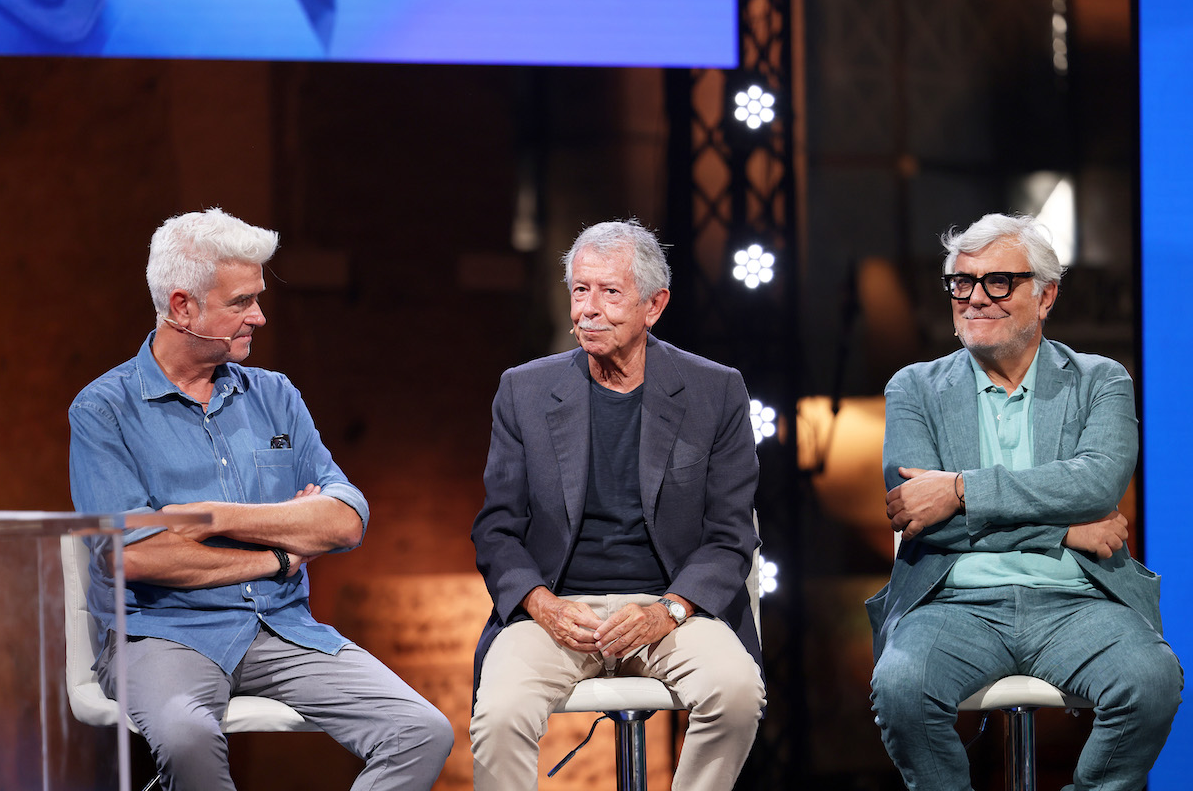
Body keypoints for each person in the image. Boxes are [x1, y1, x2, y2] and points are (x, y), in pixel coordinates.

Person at [68, 208, 452, 791]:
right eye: (241, 302)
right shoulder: (103, 411)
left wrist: (215, 519)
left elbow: (346, 521)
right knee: (187, 737)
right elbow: (135, 558)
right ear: (182, 308)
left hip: (281, 627)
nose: (260, 315)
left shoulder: (276, 396)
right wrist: (279, 552)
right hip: (162, 633)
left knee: (422, 729)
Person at [868, 213, 1183, 791]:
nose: (975, 298)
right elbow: (920, 520)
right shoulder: (913, 387)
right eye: (962, 283)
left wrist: (960, 489)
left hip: (1080, 600)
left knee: (1150, 682)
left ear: (1045, 297)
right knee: (902, 690)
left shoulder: (1101, 381)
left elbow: (1095, 486)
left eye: (999, 282)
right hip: (952, 601)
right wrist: (1063, 532)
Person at [469, 219, 766, 790]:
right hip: (558, 612)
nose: (588, 309)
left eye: (609, 292)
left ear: (654, 306)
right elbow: (497, 530)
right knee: (500, 714)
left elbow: (731, 535)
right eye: (580, 290)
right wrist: (541, 605)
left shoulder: (715, 391)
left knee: (735, 693)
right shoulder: (523, 391)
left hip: (671, 610)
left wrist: (669, 609)